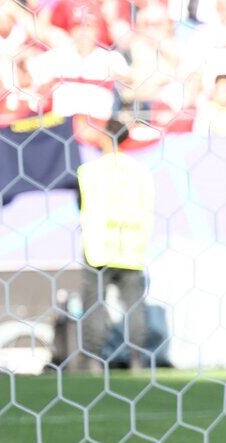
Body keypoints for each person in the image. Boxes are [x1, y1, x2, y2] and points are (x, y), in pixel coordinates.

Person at [77, 119, 155, 372]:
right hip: (131, 247)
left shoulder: (89, 170)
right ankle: (137, 360)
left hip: (99, 246)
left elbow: (81, 203)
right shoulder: (140, 171)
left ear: (104, 137)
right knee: (134, 305)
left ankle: (93, 361)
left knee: (95, 305)